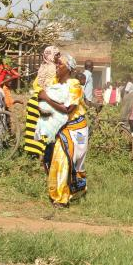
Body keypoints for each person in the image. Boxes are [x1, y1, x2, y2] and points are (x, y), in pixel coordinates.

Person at [41, 54, 87, 208]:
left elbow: (68, 109)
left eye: (60, 64)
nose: (56, 66)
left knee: (66, 161)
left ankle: (63, 197)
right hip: (60, 127)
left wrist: (46, 98)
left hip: (75, 128)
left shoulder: (74, 85)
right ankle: (59, 194)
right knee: (54, 160)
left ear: (68, 68)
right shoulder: (55, 83)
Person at [23, 46, 60, 157]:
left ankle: (32, 153)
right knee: (45, 129)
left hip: (34, 100)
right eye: (57, 54)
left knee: (33, 128)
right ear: (52, 55)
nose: (59, 57)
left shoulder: (42, 67)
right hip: (44, 101)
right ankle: (43, 154)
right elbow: (52, 87)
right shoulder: (53, 69)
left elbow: (35, 85)